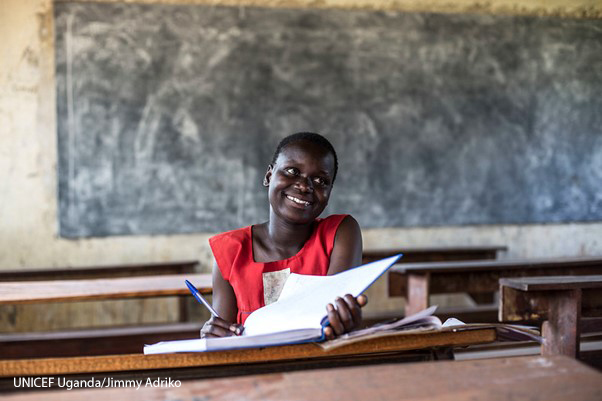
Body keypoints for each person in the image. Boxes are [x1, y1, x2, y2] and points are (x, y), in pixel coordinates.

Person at [201, 132, 366, 340]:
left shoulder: (339, 234)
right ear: (269, 176)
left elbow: (336, 320)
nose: (305, 186)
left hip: (319, 366)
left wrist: (345, 320)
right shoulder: (231, 252)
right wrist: (214, 335)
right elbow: (223, 337)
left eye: (321, 180)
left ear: (330, 191)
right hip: (253, 369)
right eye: (292, 171)